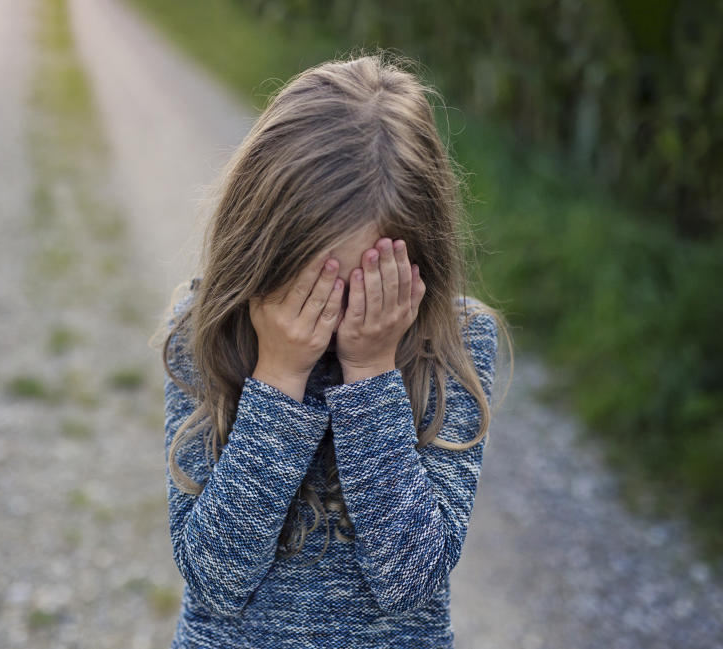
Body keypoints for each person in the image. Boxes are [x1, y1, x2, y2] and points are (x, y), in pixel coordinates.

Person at [150, 50, 514, 649]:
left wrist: (371, 371)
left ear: (420, 266)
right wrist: (277, 378)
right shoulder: (207, 330)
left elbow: (413, 580)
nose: (331, 318)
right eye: (310, 286)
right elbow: (214, 578)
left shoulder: (452, 343)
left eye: (367, 288)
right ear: (259, 252)